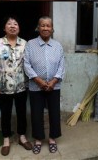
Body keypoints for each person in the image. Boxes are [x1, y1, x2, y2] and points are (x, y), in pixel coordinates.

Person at [0, 16, 32, 156]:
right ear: (4, 28)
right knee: (5, 114)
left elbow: (30, 64)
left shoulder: (25, 44)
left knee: (21, 112)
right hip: (3, 87)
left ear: (19, 28)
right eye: (9, 23)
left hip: (21, 86)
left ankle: (22, 137)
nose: (12, 26)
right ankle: (6, 140)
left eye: (15, 23)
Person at [23, 16, 65, 154]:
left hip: (54, 86)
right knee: (36, 113)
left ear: (52, 29)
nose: (45, 28)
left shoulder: (57, 46)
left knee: (54, 112)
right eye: (43, 25)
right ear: (38, 28)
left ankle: (52, 138)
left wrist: (53, 81)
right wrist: (39, 81)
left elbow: (62, 65)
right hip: (36, 86)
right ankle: (38, 139)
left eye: (48, 26)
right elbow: (26, 64)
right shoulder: (30, 44)